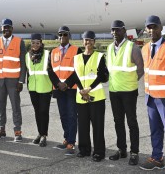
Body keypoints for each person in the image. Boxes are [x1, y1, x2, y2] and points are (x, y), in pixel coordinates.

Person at [139, 16, 165, 173]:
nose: (151, 30)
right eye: (148, 27)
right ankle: (157, 158)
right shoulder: (144, 48)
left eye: (154, 27)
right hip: (150, 97)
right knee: (155, 130)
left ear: (161, 28)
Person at [106, 20, 144, 165]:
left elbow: (140, 68)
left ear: (124, 31)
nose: (115, 33)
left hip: (128, 91)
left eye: (118, 30)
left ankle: (134, 152)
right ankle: (121, 149)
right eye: (113, 30)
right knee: (118, 122)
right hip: (114, 91)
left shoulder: (131, 47)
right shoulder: (109, 48)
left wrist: (131, 81)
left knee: (131, 122)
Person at [73, 31, 108, 162]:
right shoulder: (76, 58)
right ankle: (84, 149)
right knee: (82, 125)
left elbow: (101, 76)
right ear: (83, 42)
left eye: (91, 40)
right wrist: (82, 90)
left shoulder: (99, 56)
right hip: (81, 96)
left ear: (94, 42)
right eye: (86, 40)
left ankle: (99, 152)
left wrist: (89, 88)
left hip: (96, 97)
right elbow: (75, 75)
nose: (88, 42)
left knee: (98, 126)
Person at [0, 18, 26, 142]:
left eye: (8, 27)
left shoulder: (19, 42)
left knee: (15, 106)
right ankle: (1, 129)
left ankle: (17, 130)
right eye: (4, 27)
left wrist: (21, 81)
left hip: (14, 81)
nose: (6, 29)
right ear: (1, 28)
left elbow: (23, 62)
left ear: (12, 28)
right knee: (0, 106)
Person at [50, 25, 82, 155]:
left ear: (69, 36)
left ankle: (71, 143)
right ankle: (66, 138)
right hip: (59, 89)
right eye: (60, 34)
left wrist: (67, 84)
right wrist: (58, 84)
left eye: (65, 34)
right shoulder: (53, 52)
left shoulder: (76, 50)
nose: (62, 37)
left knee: (71, 115)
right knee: (63, 115)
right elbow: (50, 70)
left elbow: (78, 70)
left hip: (71, 89)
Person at [25, 33, 53, 147]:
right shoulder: (28, 56)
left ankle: (44, 135)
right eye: (33, 43)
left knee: (43, 112)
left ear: (41, 43)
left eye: (37, 43)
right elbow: (28, 72)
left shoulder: (47, 54)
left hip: (45, 88)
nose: (35, 45)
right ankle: (39, 133)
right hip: (33, 88)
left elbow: (52, 72)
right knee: (37, 112)